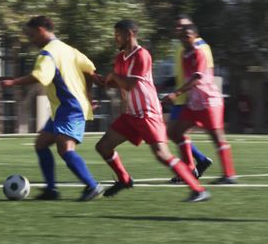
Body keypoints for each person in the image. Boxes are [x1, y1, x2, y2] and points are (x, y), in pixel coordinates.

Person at [93, 19, 210, 202]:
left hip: (148, 112)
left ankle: (198, 190)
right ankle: (124, 179)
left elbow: (131, 83)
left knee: (162, 155)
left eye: (118, 35)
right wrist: (104, 81)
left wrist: (113, 76)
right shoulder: (119, 58)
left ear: (130, 34)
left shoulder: (142, 55)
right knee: (103, 146)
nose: (115, 39)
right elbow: (120, 83)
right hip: (131, 113)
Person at [1, 15, 105, 202]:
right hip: (64, 108)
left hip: (69, 107)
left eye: (32, 35)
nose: (32, 41)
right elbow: (90, 71)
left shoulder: (47, 53)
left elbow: (39, 77)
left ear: (41, 30)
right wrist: (88, 96)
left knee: (65, 149)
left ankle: (92, 186)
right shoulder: (68, 49)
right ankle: (51, 190)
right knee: (41, 144)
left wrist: (13, 82)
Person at [164, 23, 237, 184]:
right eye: (182, 36)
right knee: (175, 132)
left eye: (187, 36)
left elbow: (197, 78)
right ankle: (190, 169)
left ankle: (229, 175)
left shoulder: (199, 53)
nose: (184, 38)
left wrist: (176, 93)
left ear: (195, 37)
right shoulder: (184, 54)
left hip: (209, 101)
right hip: (194, 103)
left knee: (217, 137)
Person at [167, 15, 215, 180]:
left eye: (182, 26)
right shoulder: (181, 46)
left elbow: (202, 75)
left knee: (176, 133)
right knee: (175, 133)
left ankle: (190, 168)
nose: (178, 29)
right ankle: (199, 161)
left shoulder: (200, 47)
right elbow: (181, 73)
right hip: (181, 96)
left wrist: (184, 93)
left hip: (190, 97)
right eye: (177, 26)